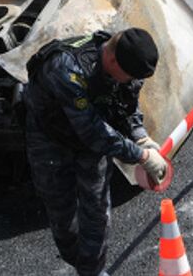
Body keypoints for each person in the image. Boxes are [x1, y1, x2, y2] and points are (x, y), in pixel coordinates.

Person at [23, 28, 167, 276]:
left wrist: (140, 136)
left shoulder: (125, 61)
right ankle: (82, 263)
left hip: (93, 141)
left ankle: (92, 271)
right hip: (51, 141)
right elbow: (93, 131)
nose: (132, 80)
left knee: (97, 211)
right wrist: (141, 157)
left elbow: (126, 102)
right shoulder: (67, 67)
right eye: (129, 75)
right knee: (64, 217)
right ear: (111, 60)